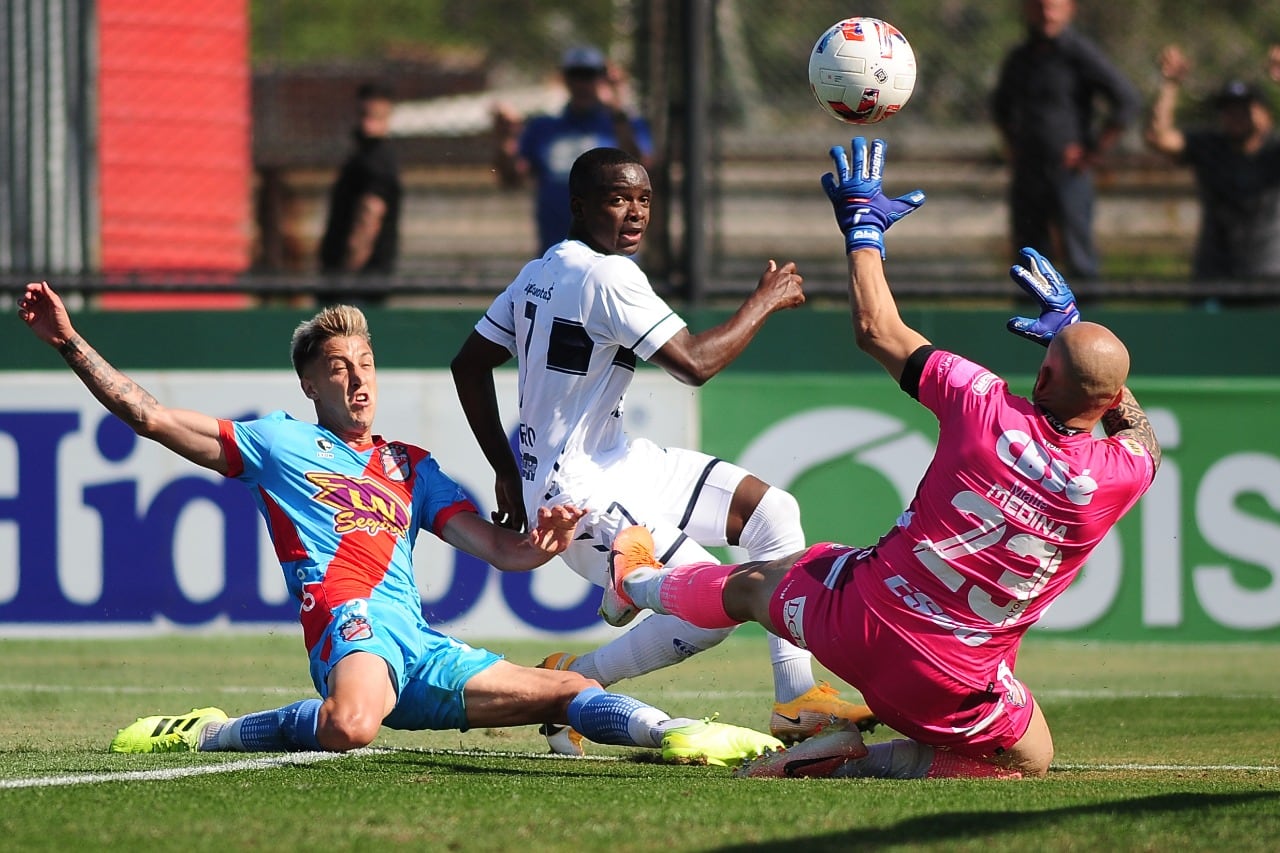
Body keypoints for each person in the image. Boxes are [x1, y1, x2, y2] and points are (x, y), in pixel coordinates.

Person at [15, 281, 782, 767]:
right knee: (351, 725)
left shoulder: (411, 466)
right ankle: (209, 731)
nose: (358, 379)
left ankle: (679, 733)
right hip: (351, 631)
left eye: (366, 364)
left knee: (564, 687)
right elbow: (147, 415)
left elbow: (496, 549)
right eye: (340, 368)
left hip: (418, 646)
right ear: (310, 380)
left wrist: (539, 545)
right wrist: (70, 342)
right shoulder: (277, 441)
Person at [607, 137, 1161, 780]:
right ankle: (852, 764)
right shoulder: (1122, 476)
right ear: (1111, 399)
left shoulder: (982, 404)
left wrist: (863, 229)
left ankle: (639, 580)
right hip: (948, 686)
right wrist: (1076, 331)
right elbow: (1137, 430)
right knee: (1029, 759)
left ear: (1040, 381)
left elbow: (876, 328)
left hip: (858, 623)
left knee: (753, 585)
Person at [450, 146, 877, 757]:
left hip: (617, 461)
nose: (635, 212)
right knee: (715, 608)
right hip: (583, 496)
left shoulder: (541, 270)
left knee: (772, 513)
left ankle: (796, 700)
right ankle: (579, 681)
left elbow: (469, 363)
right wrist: (766, 299)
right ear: (579, 206)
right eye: (618, 198)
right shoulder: (609, 276)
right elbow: (695, 364)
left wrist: (507, 468)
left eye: (644, 199)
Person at [991, 0, 1141, 281]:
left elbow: (1126, 101)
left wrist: (1093, 151)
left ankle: (1087, 323)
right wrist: (1012, 146)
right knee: (1028, 260)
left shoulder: (1079, 54)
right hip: (1028, 173)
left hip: (1068, 173)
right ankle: (1030, 322)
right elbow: (1000, 108)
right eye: (1039, 5)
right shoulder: (1021, 58)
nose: (1047, 12)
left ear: (1070, 8)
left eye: (1054, 5)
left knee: (1079, 258)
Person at [492, 45, 654, 255]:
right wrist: (506, 140)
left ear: (602, 79)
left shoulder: (622, 125)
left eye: (590, 75)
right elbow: (512, 180)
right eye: (575, 75)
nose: (582, 84)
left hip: (613, 252)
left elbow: (643, 167)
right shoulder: (544, 128)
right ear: (565, 79)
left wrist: (618, 104)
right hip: (558, 250)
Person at [1145, 44, 1280, 287]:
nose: (1236, 116)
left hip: (1269, 275)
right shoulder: (1210, 146)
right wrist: (1171, 83)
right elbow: (1160, 137)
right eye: (1229, 110)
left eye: (1245, 109)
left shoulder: (1274, 150)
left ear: (1266, 114)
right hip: (1213, 275)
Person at [318, 81, 403, 305]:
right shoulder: (366, 156)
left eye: (374, 116)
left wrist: (347, 275)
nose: (367, 123)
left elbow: (370, 212)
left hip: (359, 282)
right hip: (360, 280)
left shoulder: (375, 159)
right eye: (363, 114)